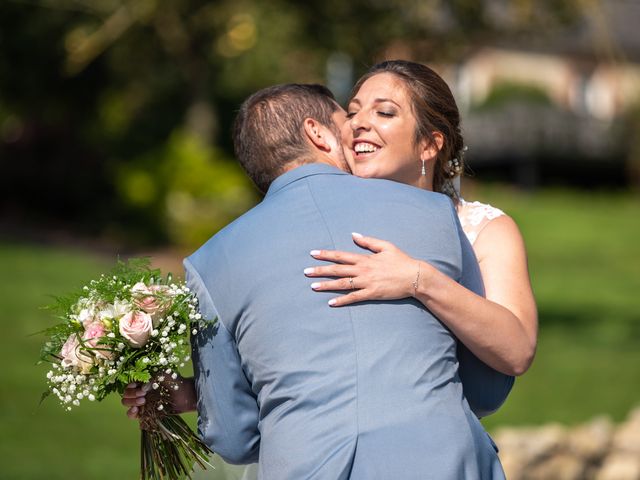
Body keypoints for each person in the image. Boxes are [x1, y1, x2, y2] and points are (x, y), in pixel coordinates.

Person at [123, 83, 511, 479]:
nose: (359, 131)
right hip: (444, 462)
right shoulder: (432, 212)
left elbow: (234, 437)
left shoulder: (209, 263)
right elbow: (485, 385)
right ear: (319, 134)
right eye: (348, 120)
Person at [305, 60, 538, 377]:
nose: (359, 123)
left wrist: (418, 280)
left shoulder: (485, 229)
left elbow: (518, 350)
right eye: (352, 112)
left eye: (384, 112)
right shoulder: (322, 219)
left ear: (428, 144)